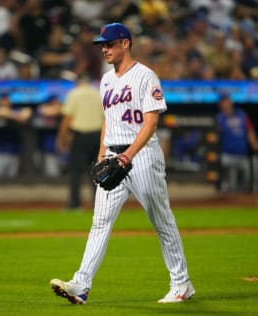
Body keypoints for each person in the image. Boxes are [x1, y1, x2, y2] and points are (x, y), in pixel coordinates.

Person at [50, 22, 195, 304]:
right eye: (102, 45)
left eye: (109, 44)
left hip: (141, 157)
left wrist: (128, 154)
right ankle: (81, 284)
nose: (104, 49)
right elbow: (109, 120)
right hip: (114, 155)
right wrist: (103, 155)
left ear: (125, 43)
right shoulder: (106, 79)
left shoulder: (145, 76)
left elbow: (152, 121)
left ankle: (182, 284)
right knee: (99, 222)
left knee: (161, 220)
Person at [56, 73, 104, 210]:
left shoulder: (74, 94)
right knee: (97, 172)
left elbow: (67, 119)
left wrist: (61, 138)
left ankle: (75, 204)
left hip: (80, 137)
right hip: (97, 136)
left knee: (76, 172)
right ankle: (100, 205)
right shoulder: (98, 93)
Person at [216, 92, 258, 193]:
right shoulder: (220, 118)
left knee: (247, 180)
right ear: (220, 104)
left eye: (228, 100)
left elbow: (250, 130)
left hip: (242, 155)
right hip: (227, 156)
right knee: (230, 185)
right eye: (224, 101)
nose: (226, 103)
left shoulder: (242, 115)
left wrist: (254, 142)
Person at [0, 92, 32, 178]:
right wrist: (1, 113)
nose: (4, 102)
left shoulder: (15, 110)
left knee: (11, 183)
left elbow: (24, 116)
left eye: (6, 100)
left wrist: (7, 113)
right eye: (2, 100)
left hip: (14, 153)